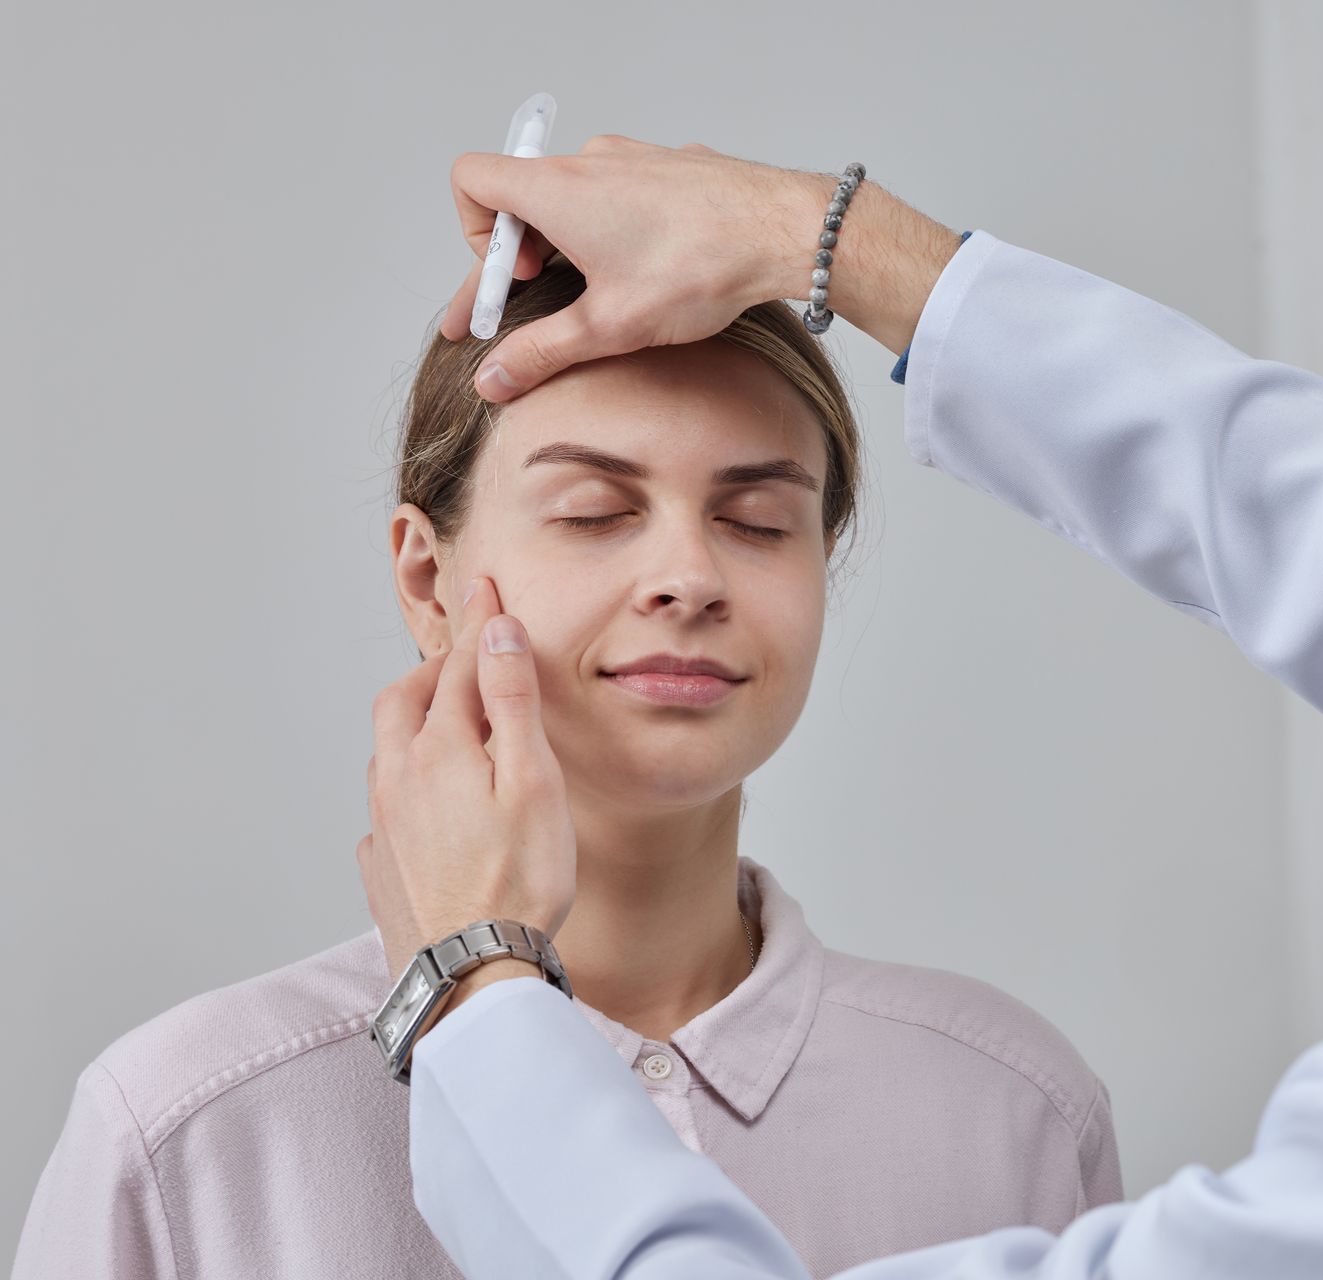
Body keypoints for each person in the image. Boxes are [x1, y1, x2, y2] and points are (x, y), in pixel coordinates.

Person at [355, 0, 1323, 1274]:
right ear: (427, 573)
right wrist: (833, 242)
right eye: (593, 510)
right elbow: (1321, 536)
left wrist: (480, 986)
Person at [12, 263, 1124, 1280]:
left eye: (757, 520)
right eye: (596, 512)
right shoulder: (187, 1126)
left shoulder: (1011, 1108)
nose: (688, 575)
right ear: (423, 575)